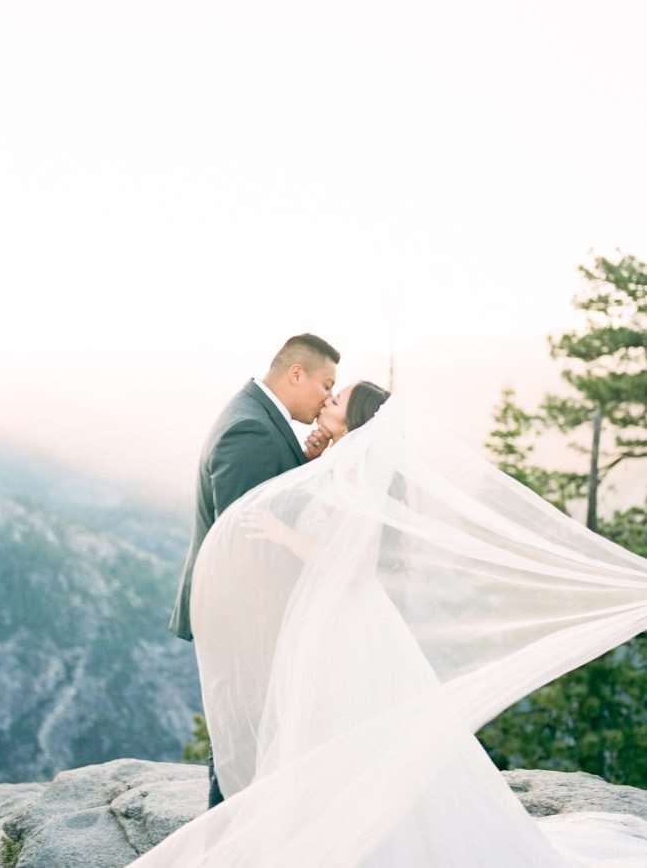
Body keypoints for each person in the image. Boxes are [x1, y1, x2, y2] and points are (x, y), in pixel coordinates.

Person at [135, 382, 647, 867]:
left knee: (344, 729)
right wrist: (316, 461)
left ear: (353, 421)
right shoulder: (349, 465)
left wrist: (280, 533)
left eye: (337, 399)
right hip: (343, 620)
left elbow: (351, 561)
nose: (327, 401)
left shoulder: (357, 473)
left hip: (347, 624)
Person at [168, 332, 340, 808]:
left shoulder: (257, 418)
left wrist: (304, 464)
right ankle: (229, 838)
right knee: (241, 736)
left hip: (247, 611)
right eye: (326, 384)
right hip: (243, 613)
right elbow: (242, 542)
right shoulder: (251, 429)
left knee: (252, 731)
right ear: (296, 373)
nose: (328, 396)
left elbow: (267, 504)